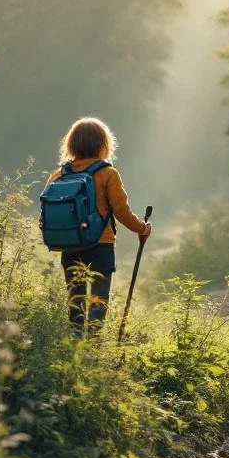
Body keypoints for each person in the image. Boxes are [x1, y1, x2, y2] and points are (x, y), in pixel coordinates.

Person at [45, 117, 150, 334]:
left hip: (71, 245)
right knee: (98, 303)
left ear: (72, 144)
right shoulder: (108, 174)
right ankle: (91, 353)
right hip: (100, 246)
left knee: (76, 306)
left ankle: (74, 349)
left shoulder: (59, 175)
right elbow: (121, 211)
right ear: (103, 144)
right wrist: (142, 229)